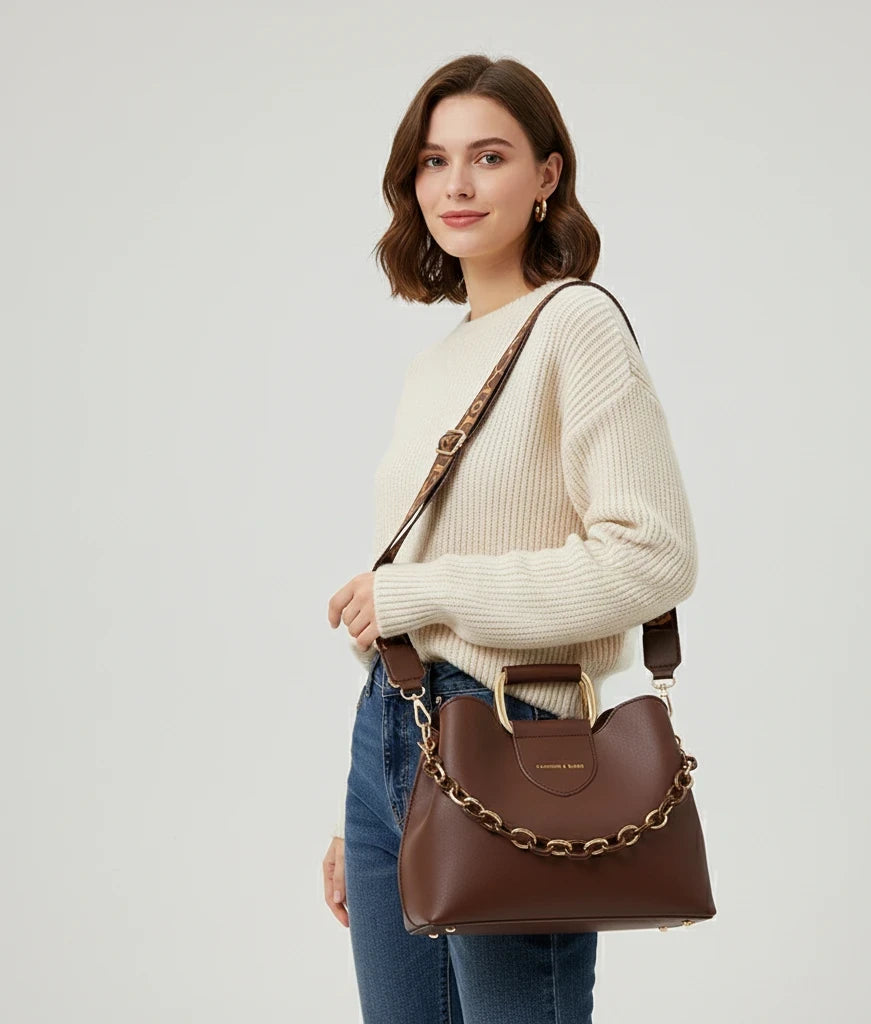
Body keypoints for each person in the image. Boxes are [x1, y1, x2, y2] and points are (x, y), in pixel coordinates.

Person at [320, 53, 698, 1023]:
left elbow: (651, 556)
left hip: (522, 742)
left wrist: (422, 592)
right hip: (395, 738)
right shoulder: (436, 364)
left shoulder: (576, 325)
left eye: (488, 156)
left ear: (546, 175)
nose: (456, 183)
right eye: (433, 160)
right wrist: (370, 803)